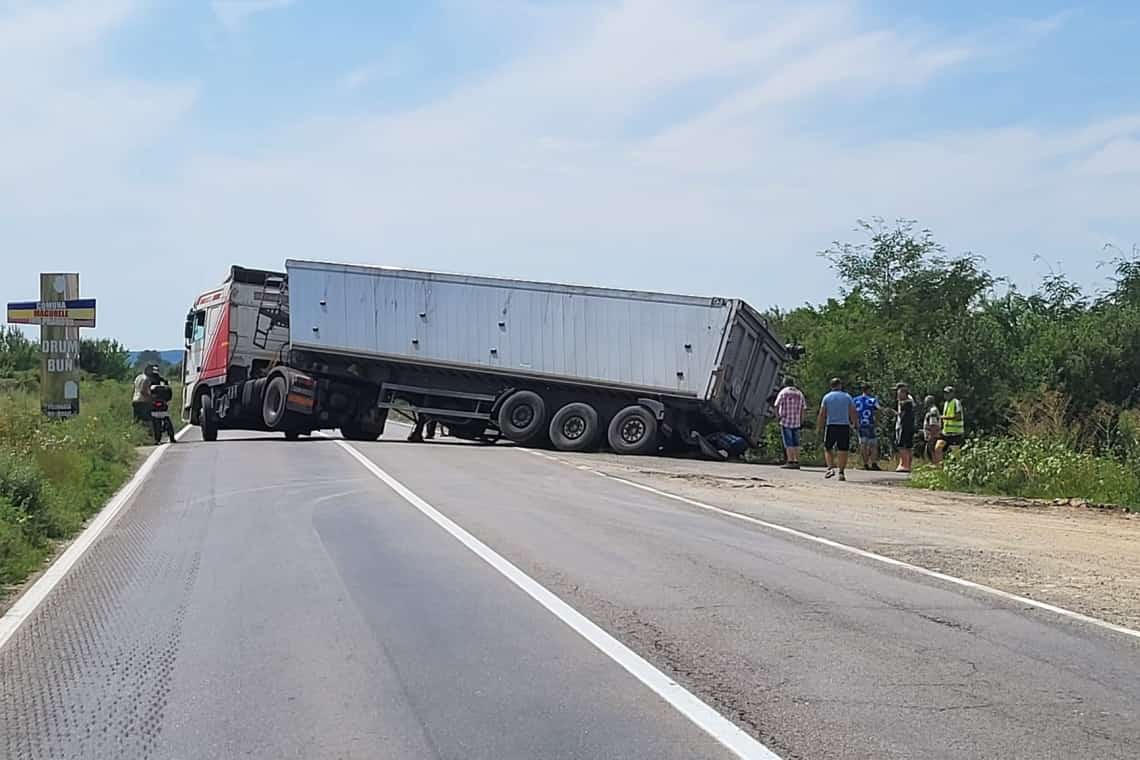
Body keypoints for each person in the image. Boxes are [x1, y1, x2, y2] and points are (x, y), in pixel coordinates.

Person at [816, 377, 858, 481]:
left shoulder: (827, 397)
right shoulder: (847, 397)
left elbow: (822, 413)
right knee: (843, 449)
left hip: (831, 425)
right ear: (840, 385)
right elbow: (853, 411)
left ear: (831, 386)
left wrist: (819, 427)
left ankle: (830, 467)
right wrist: (855, 423)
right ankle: (841, 472)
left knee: (828, 447)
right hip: (844, 426)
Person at [774, 378, 808, 469]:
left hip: (786, 421)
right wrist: (801, 420)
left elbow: (776, 405)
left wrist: (778, 417)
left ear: (785, 384)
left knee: (788, 442)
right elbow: (803, 408)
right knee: (796, 442)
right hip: (796, 421)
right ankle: (796, 461)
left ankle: (790, 461)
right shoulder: (799, 393)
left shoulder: (783, 392)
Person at [852, 383, 881, 471]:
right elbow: (878, 409)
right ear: (868, 390)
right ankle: (874, 463)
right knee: (873, 444)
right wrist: (877, 421)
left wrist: (854, 422)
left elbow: (852, 411)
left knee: (863, 444)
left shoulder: (855, 400)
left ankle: (865, 464)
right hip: (870, 423)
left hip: (860, 423)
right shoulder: (872, 400)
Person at [893, 382, 916, 473]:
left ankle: (905, 464)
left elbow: (905, 412)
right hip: (901, 424)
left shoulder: (908, 401)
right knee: (905, 445)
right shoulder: (901, 401)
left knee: (903, 445)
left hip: (905, 426)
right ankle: (905, 464)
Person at [941, 385, 965, 453]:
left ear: (952, 394)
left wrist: (943, 417)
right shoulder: (946, 403)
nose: (946, 395)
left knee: (955, 453)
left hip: (956, 433)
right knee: (942, 451)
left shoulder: (956, 402)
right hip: (946, 433)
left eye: (948, 393)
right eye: (945, 393)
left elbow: (958, 417)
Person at [922, 394, 943, 464]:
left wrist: (932, 435)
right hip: (932, 435)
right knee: (929, 452)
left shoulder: (933, 411)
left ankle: (935, 465)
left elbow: (933, 424)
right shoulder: (932, 410)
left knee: (932, 451)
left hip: (933, 435)